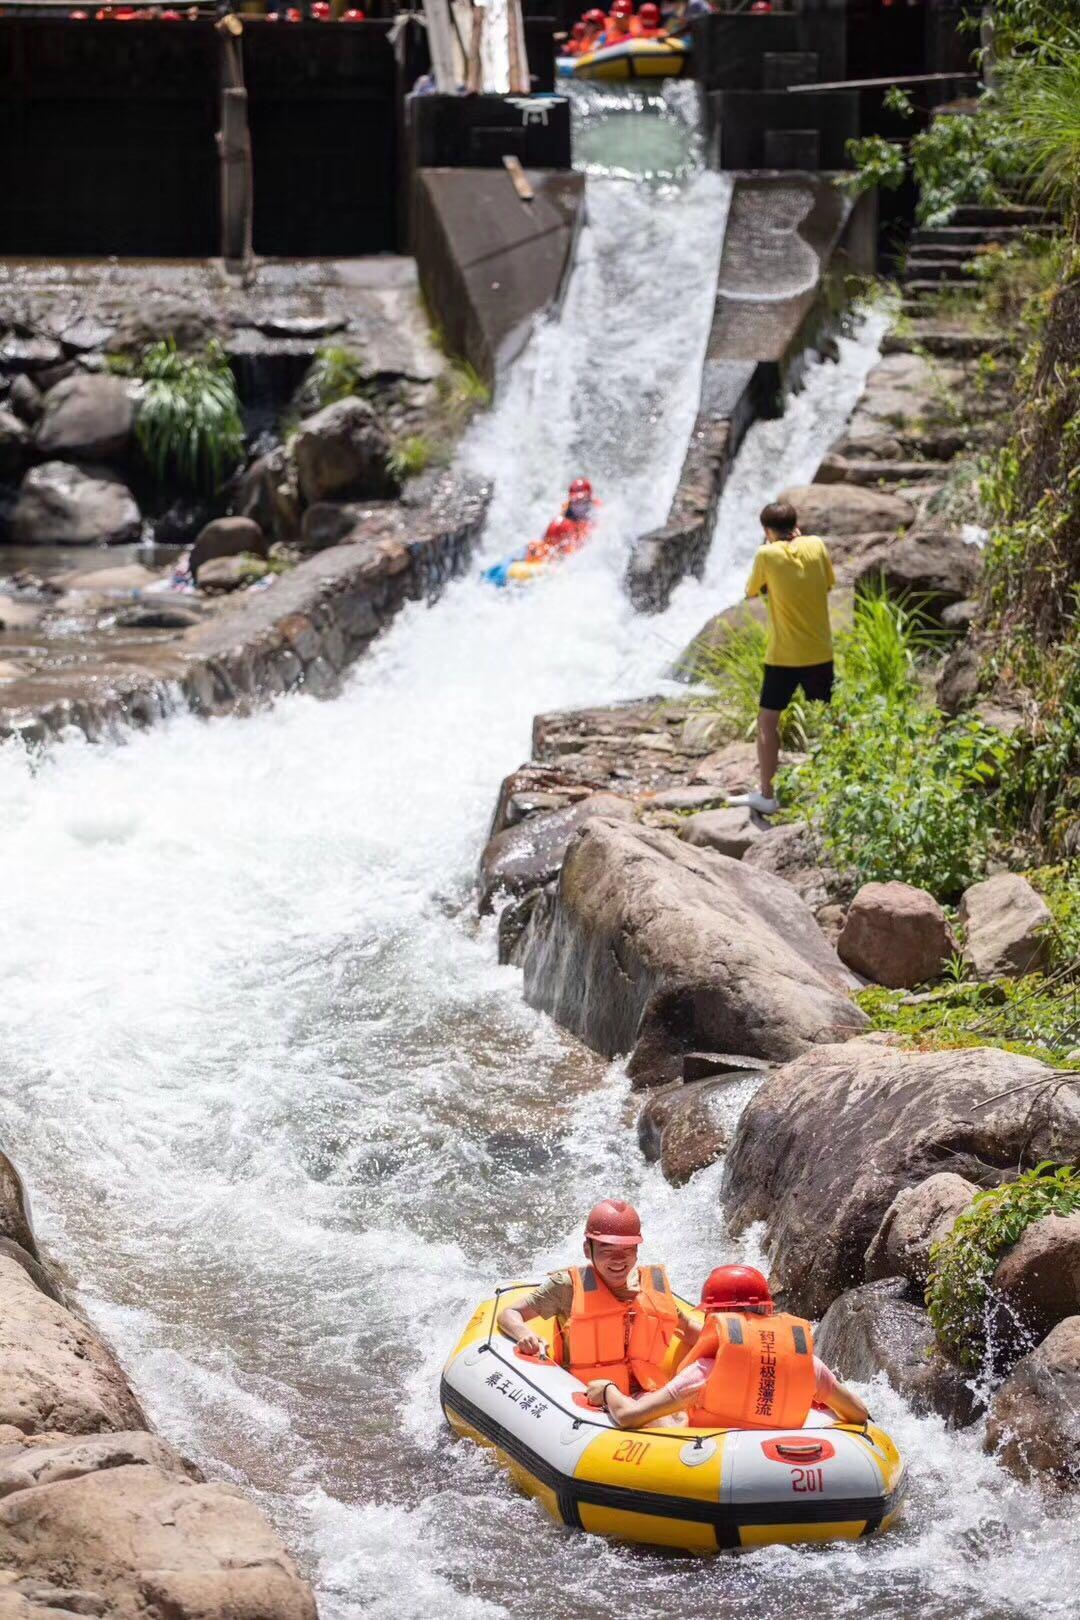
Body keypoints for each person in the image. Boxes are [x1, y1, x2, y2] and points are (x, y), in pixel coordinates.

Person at [587, 1264, 869, 1430]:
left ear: (717, 1317)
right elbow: (857, 1413)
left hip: (713, 1468)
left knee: (661, 1414)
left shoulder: (703, 1372)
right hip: (786, 1465)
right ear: (766, 1312)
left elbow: (628, 1417)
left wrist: (608, 1390)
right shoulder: (808, 1366)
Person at [497, 1199, 699, 1393]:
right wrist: (524, 1334)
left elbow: (688, 1328)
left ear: (637, 1252)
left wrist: (724, 1343)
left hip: (643, 1389)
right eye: (607, 1249)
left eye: (627, 1250)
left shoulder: (651, 1290)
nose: (618, 1259)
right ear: (587, 1250)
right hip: (584, 1393)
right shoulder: (567, 1286)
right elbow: (509, 1313)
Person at [728, 500, 836, 817]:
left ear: (767, 531)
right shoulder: (816, 544)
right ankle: (845, 784)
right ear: (796, 525)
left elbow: (751, 592)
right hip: (820, 651)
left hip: (783, 657)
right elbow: (828, 583)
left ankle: (767, 795)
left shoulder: (766, 554)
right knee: (835, 719)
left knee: (767, 722)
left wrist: (771, 548)